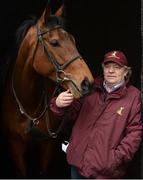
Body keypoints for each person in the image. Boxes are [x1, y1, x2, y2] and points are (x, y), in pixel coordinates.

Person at [50, 50, 142, 179]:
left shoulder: (134, 96)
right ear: (103, 69)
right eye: (107, 66)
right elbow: (70, 115)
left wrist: (115, 160)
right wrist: (58, 104)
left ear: (126, 72)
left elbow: (135, 132)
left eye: (117, 67)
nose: (111, 71)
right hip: (77, 164)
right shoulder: (90, 88)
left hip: (105, 172)